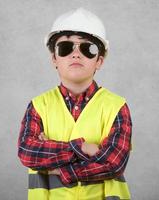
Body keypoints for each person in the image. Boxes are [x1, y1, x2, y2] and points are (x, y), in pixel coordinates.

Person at [18, 7, 133, 200]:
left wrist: (60, 169)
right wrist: (84, 148)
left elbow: (114, 163)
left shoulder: (116, 106)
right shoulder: (38, 106)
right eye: (66, 48)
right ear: (54, 59)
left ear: (99, 61)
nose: (76, 54)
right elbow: (28, 153)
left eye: (88, 49)